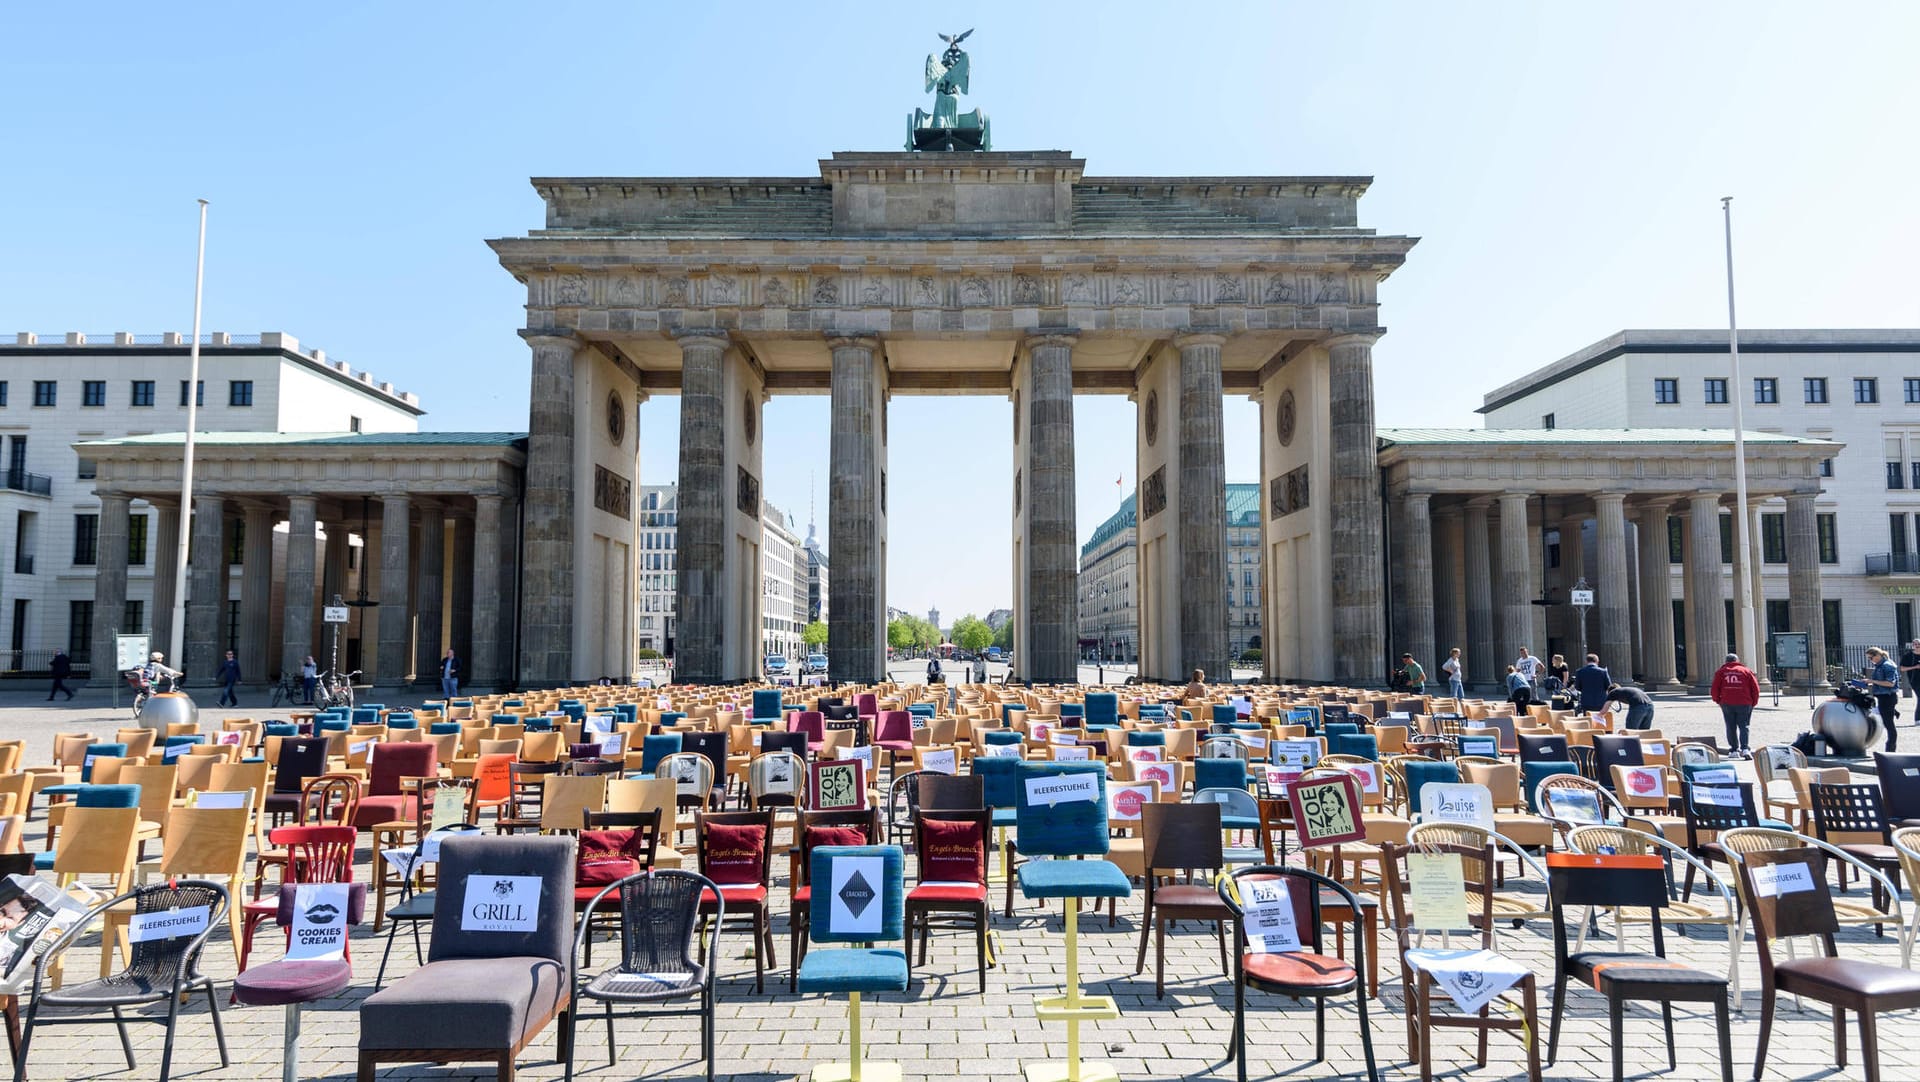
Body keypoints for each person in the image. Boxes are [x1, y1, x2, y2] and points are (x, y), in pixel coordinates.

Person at [1710, 652, 1761, 758]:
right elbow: (1755, 688)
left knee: (1730, 726)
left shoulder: (1721, 672)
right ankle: (1745, 749)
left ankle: (1734, 750)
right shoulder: (1746, 671)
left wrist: (1717, 700)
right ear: (1737, 661)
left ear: (1726, 661)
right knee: (1744, 726)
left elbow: (1715, 688)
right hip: (1744, 702)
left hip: (1727, 702)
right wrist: (1754, 702)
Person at [1863, 645, 1901, 753]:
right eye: (1869, 659)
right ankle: (1894, 712)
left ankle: (1891, 749)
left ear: (1878, 655)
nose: (1871, 660)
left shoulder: (1887, 665)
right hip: (1883, 696)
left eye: (1871, 658)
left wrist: (1872, 681)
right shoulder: (1880, 665)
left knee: (1889, 724)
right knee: (1886, 721)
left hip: (1888, 697)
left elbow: (1890, 683)